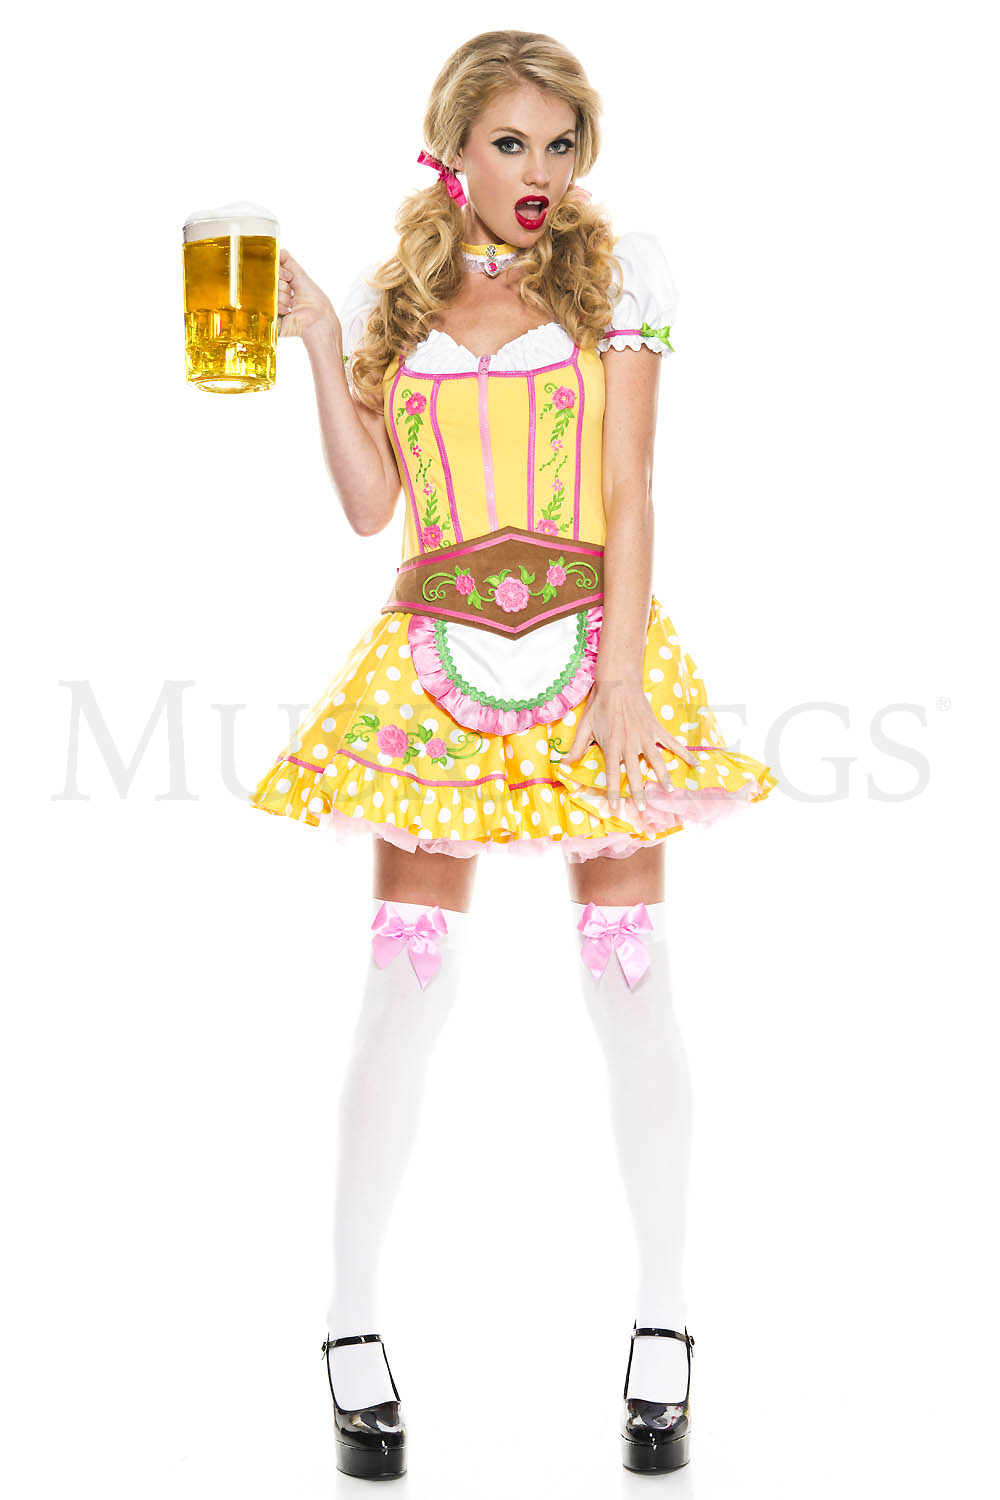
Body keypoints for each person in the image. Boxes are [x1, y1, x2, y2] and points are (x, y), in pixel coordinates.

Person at [248, 29, 777, 1480]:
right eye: (510, 143)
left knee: (631, 982)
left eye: (560, 143)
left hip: (593, 656)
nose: (539, 171)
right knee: (403, 986)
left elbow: (632, 489)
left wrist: (624, 683)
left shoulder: (618, 280)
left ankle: (664, 1325)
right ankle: (351, 1324)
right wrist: (316, 345)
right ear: (452, 151)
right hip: (434, 666)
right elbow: (372, 510)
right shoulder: (396, 298)